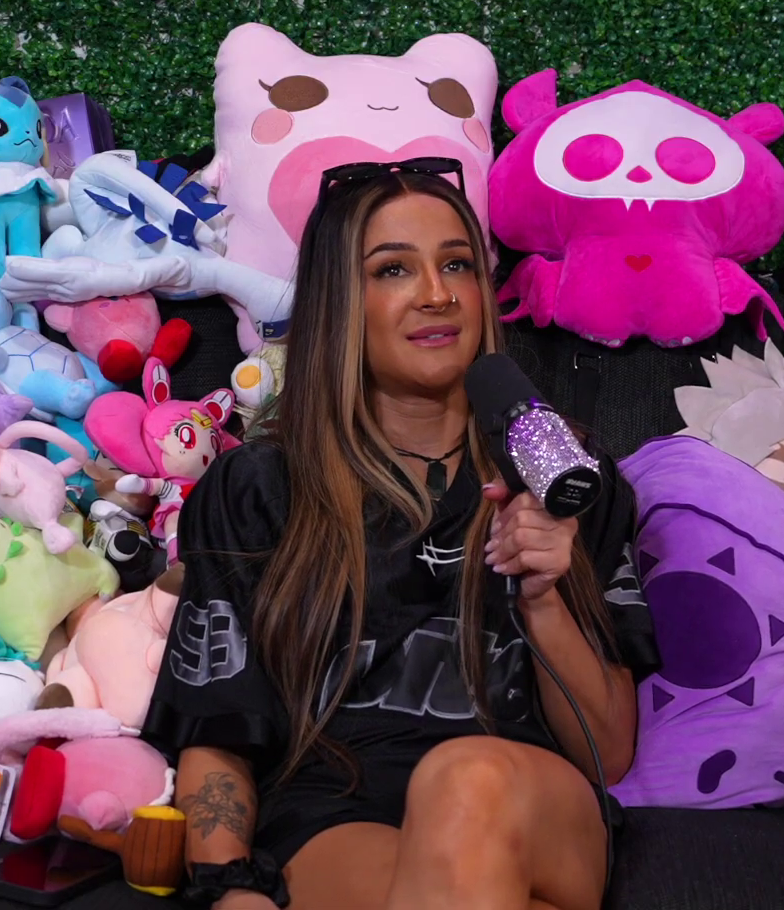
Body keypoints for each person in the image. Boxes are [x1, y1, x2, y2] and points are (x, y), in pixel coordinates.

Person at [143, 162, 656, 910]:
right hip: (333, 814)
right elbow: (217, 731)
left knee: (466, 779)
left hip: (533, 804)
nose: (437, 294)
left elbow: (607, 752)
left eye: (457, 264)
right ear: (339, 302)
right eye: (393, 269)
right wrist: (229, 888)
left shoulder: (568, 478)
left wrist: (543, 597)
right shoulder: (257, 486)